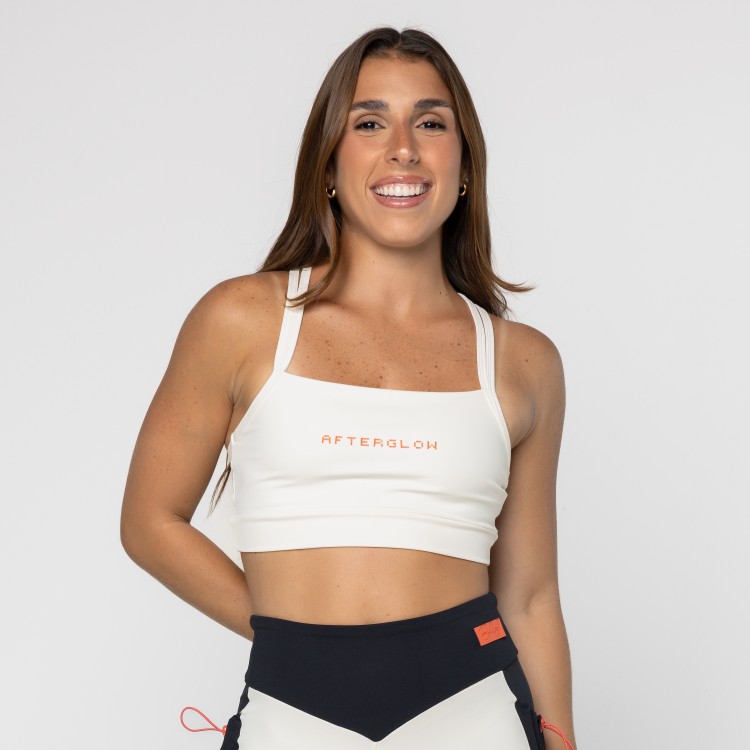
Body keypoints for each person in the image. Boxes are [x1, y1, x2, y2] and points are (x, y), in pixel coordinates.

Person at [120, 26, 576, 750]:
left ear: (464, 167)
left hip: (474, 713)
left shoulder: (523, 362)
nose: (404, 148)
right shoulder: (240, 320)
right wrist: (294, 642)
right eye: (369, 123)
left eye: (431, 123)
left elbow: (529, 595)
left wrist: (562, 739)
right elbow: (150, 521)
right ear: (328, 162)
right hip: (291, 713)